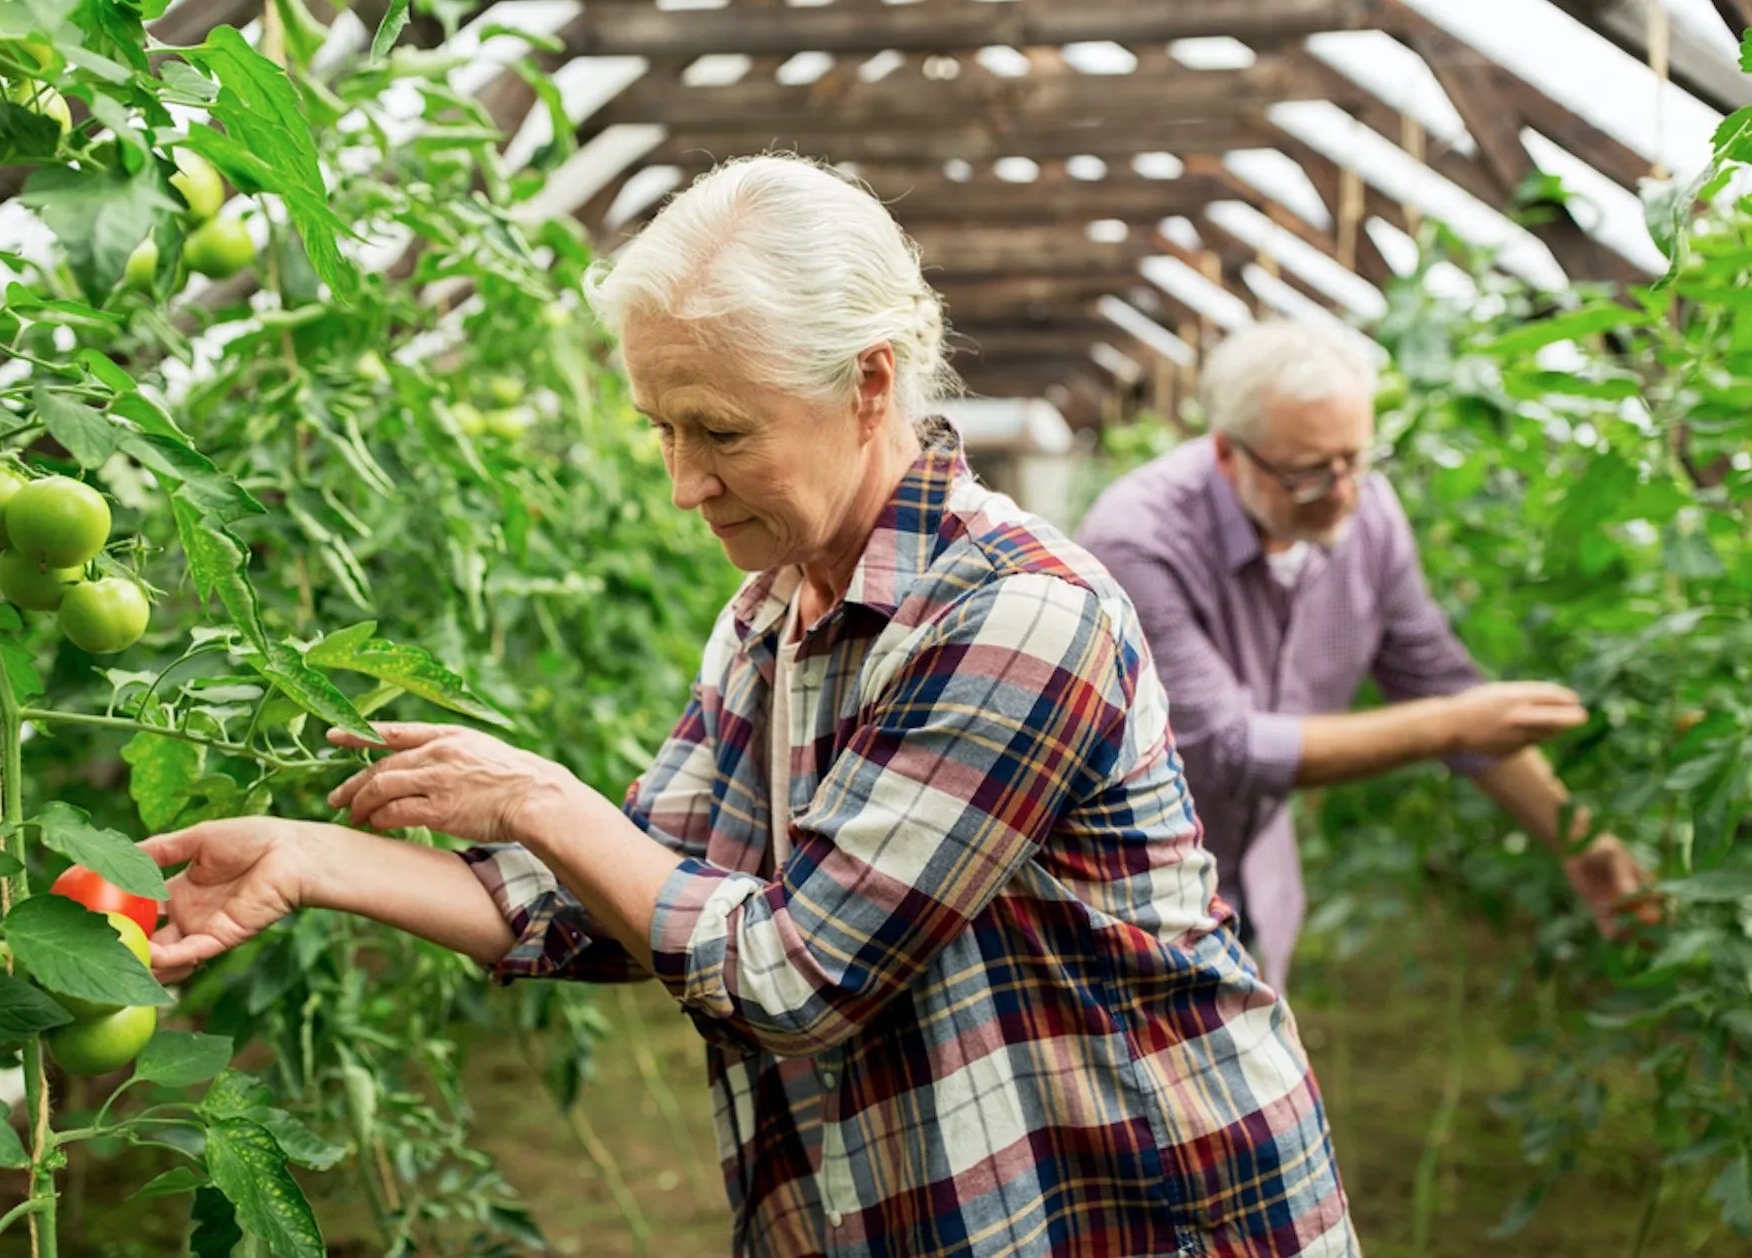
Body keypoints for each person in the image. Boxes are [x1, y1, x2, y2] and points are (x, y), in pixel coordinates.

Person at [138, 157, 1358, 1257]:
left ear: (870, 384)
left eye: (721, 430)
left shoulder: (1019, 617)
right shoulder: (775, 610)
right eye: (661, 428)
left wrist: (543, 797)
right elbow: (622, 898)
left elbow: (794, 977)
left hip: (1133, 1203)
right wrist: (307, 858)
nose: (681, 482)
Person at [1074, 319, 1649, 993]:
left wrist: (1580, 841)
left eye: (1355, 458)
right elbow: (1226, 749)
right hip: (1132, 904)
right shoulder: (1138, 541)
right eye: (1310, 473)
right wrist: (1453, 725)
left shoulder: (1366, 512)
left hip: (1256, 880)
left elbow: (1437, 679)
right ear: (1229, 455)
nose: (1344, 491)